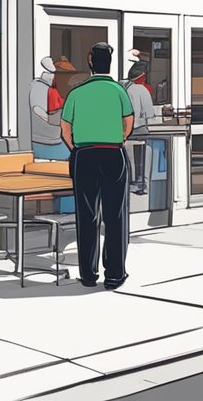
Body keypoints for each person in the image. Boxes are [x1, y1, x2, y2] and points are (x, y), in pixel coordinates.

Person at [60, 42, 135, 289]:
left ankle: (89, 275)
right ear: (110, 62)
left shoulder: (76, 93)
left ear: (90, 60)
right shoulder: (119, 91)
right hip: (113, 153)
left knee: (87, 215)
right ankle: (114, 274)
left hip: (85, 155)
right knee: (115, 215)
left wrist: (77, 149)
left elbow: (65, 128)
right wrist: (118, 139)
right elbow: (128, 122)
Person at [30, 56, 74, 214]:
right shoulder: (39, 89)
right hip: (46, 143)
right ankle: (68, 211)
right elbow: (41, 113)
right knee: (76, 162)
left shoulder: (47, 88)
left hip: (47, 140)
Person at [124, 61, 162, 196]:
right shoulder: (142, 90)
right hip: (140, 130)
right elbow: (150, 114)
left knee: (130, 159)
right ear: (143, 76)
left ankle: (131, 183)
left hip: (125, 133)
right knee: (148, 151)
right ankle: (143, 184)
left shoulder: (123, 87)